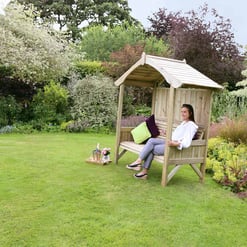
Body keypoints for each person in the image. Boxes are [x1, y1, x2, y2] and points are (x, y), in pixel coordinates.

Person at [126, 104, 198, 180]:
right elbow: (176, 135)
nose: (182, 114)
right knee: (151, 141)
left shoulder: (191, 126)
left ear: (190, 113)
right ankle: (139, 161)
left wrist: (174, 143)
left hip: (174, 147)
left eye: (185, 112)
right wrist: (166, 133)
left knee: (151, 149)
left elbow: (187, 142)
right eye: (181, 112)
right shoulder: (183, 123)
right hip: (170, 142)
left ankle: (143, 171)